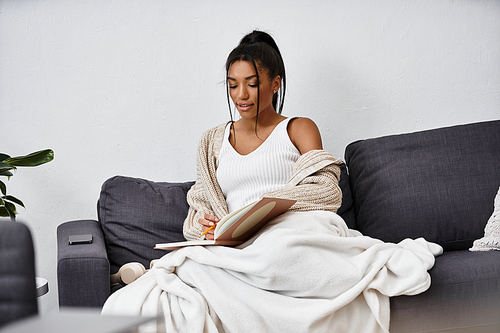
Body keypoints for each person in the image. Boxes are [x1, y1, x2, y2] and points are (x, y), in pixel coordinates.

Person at [182, 30, 343, 242]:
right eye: (233, 85)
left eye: (252, 84)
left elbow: (326, 191)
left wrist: (256, 217)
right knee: (181, 265)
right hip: (234, 242)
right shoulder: (211, 141)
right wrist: (208, 227)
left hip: (287, 233)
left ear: (275, 84)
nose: (241, 95)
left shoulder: (299, 129)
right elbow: (199, 206)